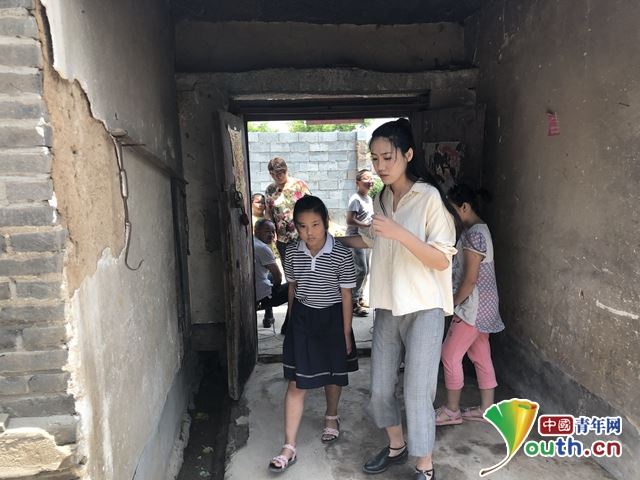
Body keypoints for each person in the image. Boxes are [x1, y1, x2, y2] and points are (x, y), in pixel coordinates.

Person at [338, 119, 458, 480]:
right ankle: (396, 446)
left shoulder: (429, 198)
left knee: (417, 391)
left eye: (387, 157)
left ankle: (425, 465)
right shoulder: (381, 198)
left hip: (425, 307)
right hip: (388, 305)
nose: (380, 166)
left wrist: (399, 232)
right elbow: (373, 241)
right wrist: (332, 241)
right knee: (379, 390)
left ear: (407, 154)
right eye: (374, 159)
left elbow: (441, 259)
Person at [268, 195, 358, 473]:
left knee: (332, 374)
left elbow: (346, 295)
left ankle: (332, 416)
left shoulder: (342, 254)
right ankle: (289, 446)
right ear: (295, 227)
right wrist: (291, 321)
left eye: (315, 225)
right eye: (303, 226)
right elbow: (293, 288)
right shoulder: (293, 253)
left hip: (333, 319)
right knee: (297, 382)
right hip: (303, 319)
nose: (310, 232)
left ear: (326, 222)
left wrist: (345, 332)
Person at [435, 184, 504, 426]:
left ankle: (452, 410)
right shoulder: (479, 230)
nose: (450, 218)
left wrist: (452, 304)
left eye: (452, 212)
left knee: (449, 354)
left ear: (464, 207)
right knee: (480, 355)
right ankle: (487, 409)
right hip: (484, 307)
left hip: (472, 308)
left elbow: (470, 280)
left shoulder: (474, 234)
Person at [264, 157, 311, 265]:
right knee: (289, 269)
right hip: (282, 239)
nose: (280, 176)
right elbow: (268, 212)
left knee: (306, 268)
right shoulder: (270, 190)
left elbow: (311, 206)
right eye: (276, 174)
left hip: (301, 235)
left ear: (286, 170)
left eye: (282, 172)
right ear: (271, 174)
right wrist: (270, 230)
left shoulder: (299, 185)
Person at [346, 169, 375, 317]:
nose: (370, 181)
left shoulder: (369, 199)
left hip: (366, 238)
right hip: (355, 238)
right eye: (366, 178)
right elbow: (349, 220)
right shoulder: (355, 199)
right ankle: (352, 302)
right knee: (361, 270)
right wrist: (365, 225)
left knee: (366, 270)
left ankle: (360, 297)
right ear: (358, 182)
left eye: (371, 178)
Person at [254, 219, 288, 328]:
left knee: (270, 277)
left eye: (273, 232)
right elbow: (278, 276)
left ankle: (268, 316)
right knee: (295, 288)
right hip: (261, 297)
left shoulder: (252, 241)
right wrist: (275, 289)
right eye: (267, 231)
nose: (272, 235)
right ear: (257, 231)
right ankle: (288, 326)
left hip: (253, 288)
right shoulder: (263, 248)